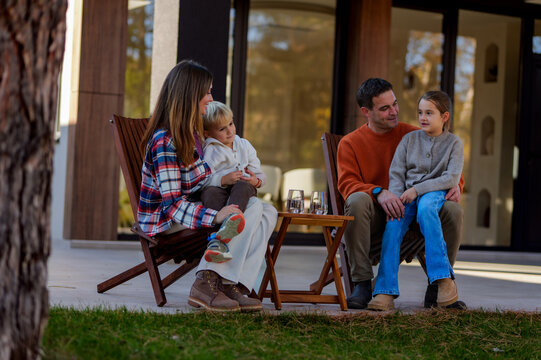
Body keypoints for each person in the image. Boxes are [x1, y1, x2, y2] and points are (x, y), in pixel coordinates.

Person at [138, 60, 277, 312]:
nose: (211, 98)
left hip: (189, 207)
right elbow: (171, 206)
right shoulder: (165, 141)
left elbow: (200, 180)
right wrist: (216, 214)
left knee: (267, 211)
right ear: (190, 94)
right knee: (253, 207)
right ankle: (208, 281)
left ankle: (229, 282)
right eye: (207, 91)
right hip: (165, 220)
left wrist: (237, 178)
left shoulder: (191, 135)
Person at [337, 78, 465, 310]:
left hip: (417, 213)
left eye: (394, 104)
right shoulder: (350, 143)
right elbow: (347, 183)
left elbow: (448, 167)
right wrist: (379, 193)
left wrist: (457, 186)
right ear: (366, 111)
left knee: (453, 210)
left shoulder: (415, 134)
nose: (394, 111)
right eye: (385, 108)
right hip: (376, 219)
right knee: (357, 200)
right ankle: (363, 283)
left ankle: (438, 285)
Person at [198, 101, 266, 262]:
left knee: (243, 185)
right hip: (220, 194)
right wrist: (222, 179)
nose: (230, 131)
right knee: (209, 193)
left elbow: (260, 175)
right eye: (222, 129)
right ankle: (220, 236)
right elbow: (203, 180)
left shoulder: (244, 145)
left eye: (231, 124)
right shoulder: (210, 150)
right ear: (207, 133)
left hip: (242, 190)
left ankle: (232, 221)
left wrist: (255, 180)